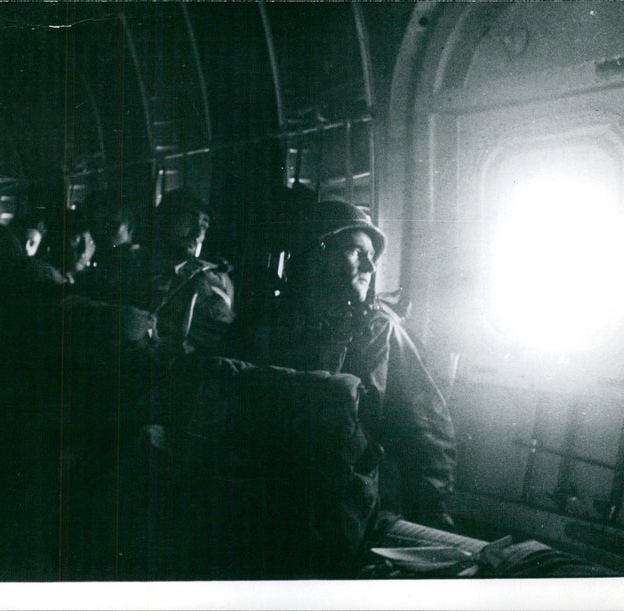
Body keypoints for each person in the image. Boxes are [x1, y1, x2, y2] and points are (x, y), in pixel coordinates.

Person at [234, 189, 457, 530]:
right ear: (317, 252)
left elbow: (425, 431)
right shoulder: (263, 323)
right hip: (259, 495)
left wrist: (432, 513)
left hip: (342, 505)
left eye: (372, 258)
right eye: (358, 252)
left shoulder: (380, 332)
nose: (370, 267)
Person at [151, 188, 235, 355]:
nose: (197, 233)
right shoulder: (131, 266)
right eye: (188, 220)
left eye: (204, 226)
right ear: (164, 220)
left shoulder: (212, 279)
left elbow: (220, 338)